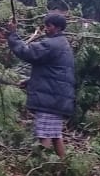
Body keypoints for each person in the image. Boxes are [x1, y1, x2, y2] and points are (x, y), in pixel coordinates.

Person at [6, 13, 76, 158]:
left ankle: (41, 168)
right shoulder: (62, 43)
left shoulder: (52, 44)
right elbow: (54, 72)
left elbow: (27, 52)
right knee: (56, 135)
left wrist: (13, 34)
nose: (45, 29)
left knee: (44, 135)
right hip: (57, 98)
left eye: (48, 26)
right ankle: (65, 167)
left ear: (57, 28)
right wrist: (31, 81)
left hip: (50, 100)